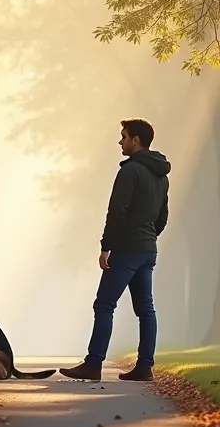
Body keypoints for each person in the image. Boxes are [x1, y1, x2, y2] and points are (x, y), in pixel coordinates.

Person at [60, 118, 171, 382]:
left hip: (127, 248)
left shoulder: (130, 171)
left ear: (136, 140)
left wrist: (106, 246)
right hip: (148, 249)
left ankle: (93, 363)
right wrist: (149, 236)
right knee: (146, 309)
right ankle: (145, 366)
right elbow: (163, 216)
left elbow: (116, 211)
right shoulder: (161, 176)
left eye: (123, 136)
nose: (120, 141)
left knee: (104, 304)